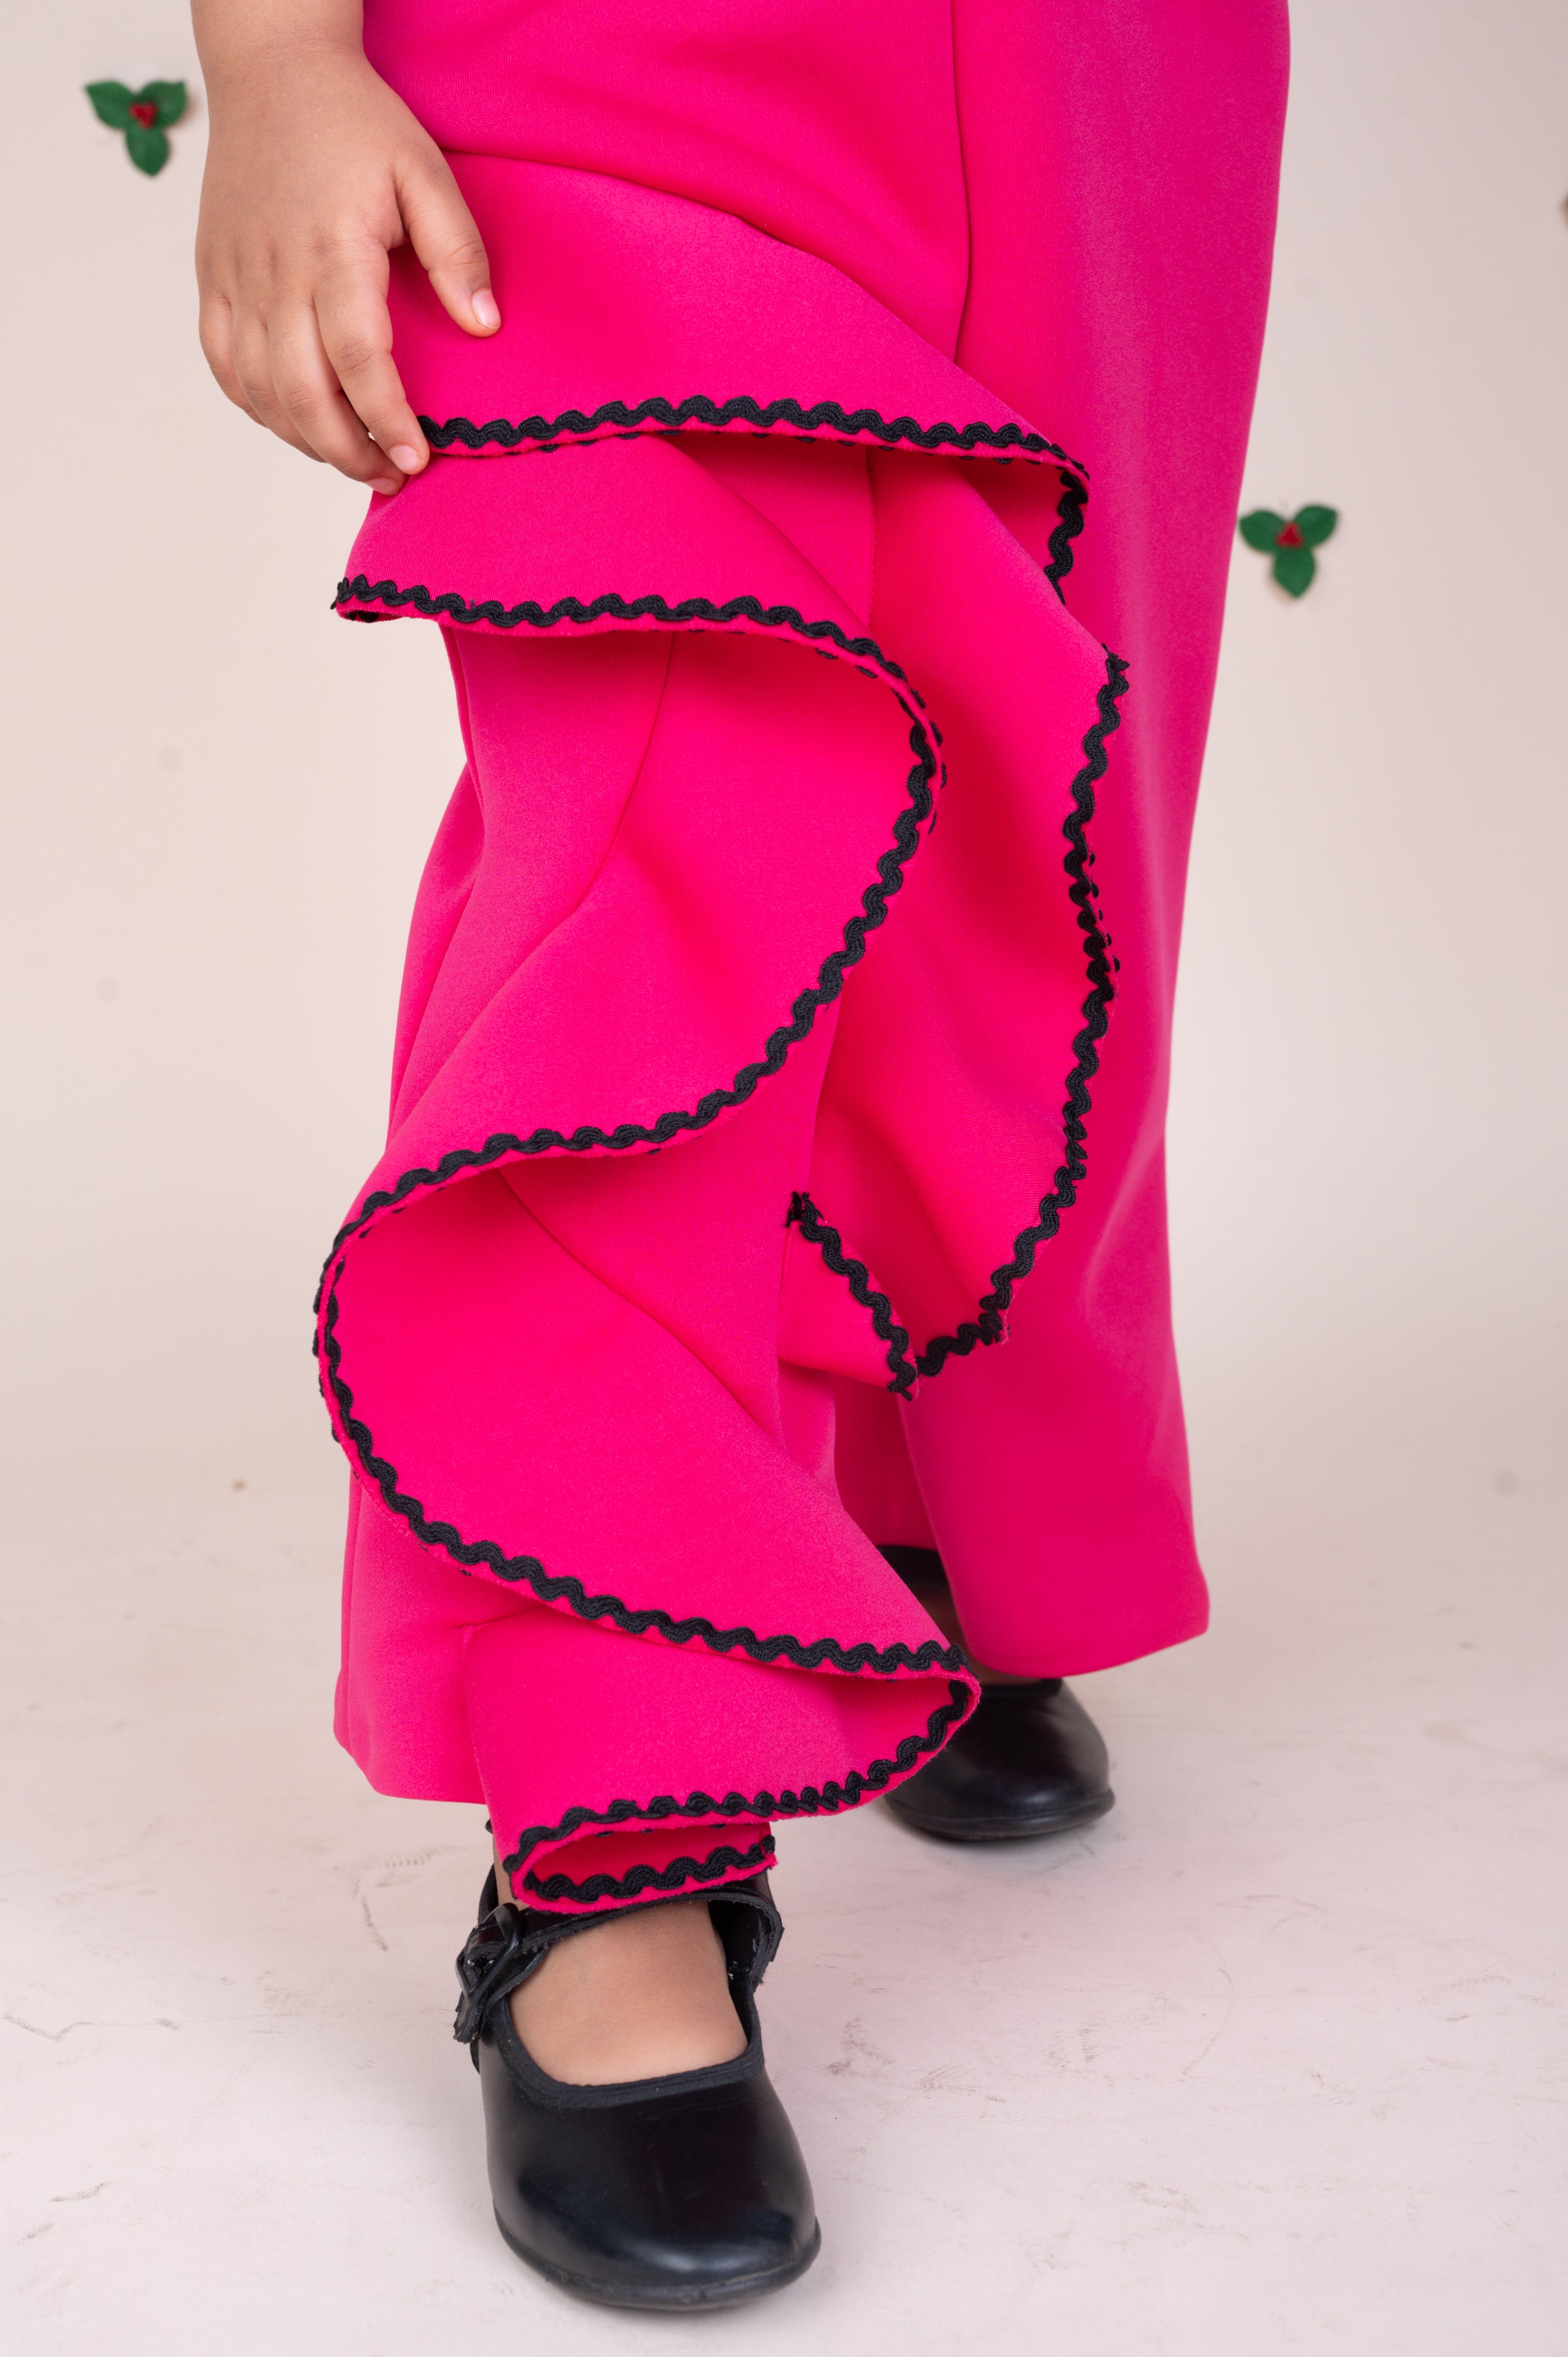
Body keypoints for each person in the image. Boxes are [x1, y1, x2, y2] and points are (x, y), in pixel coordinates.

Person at [193, 0, 1287, 2312]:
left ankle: (921, 1516)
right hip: (625, 53)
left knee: (1044, 797)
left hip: (1111, 69)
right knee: (663, 836)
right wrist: (277, 60)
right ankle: (621, 1830)